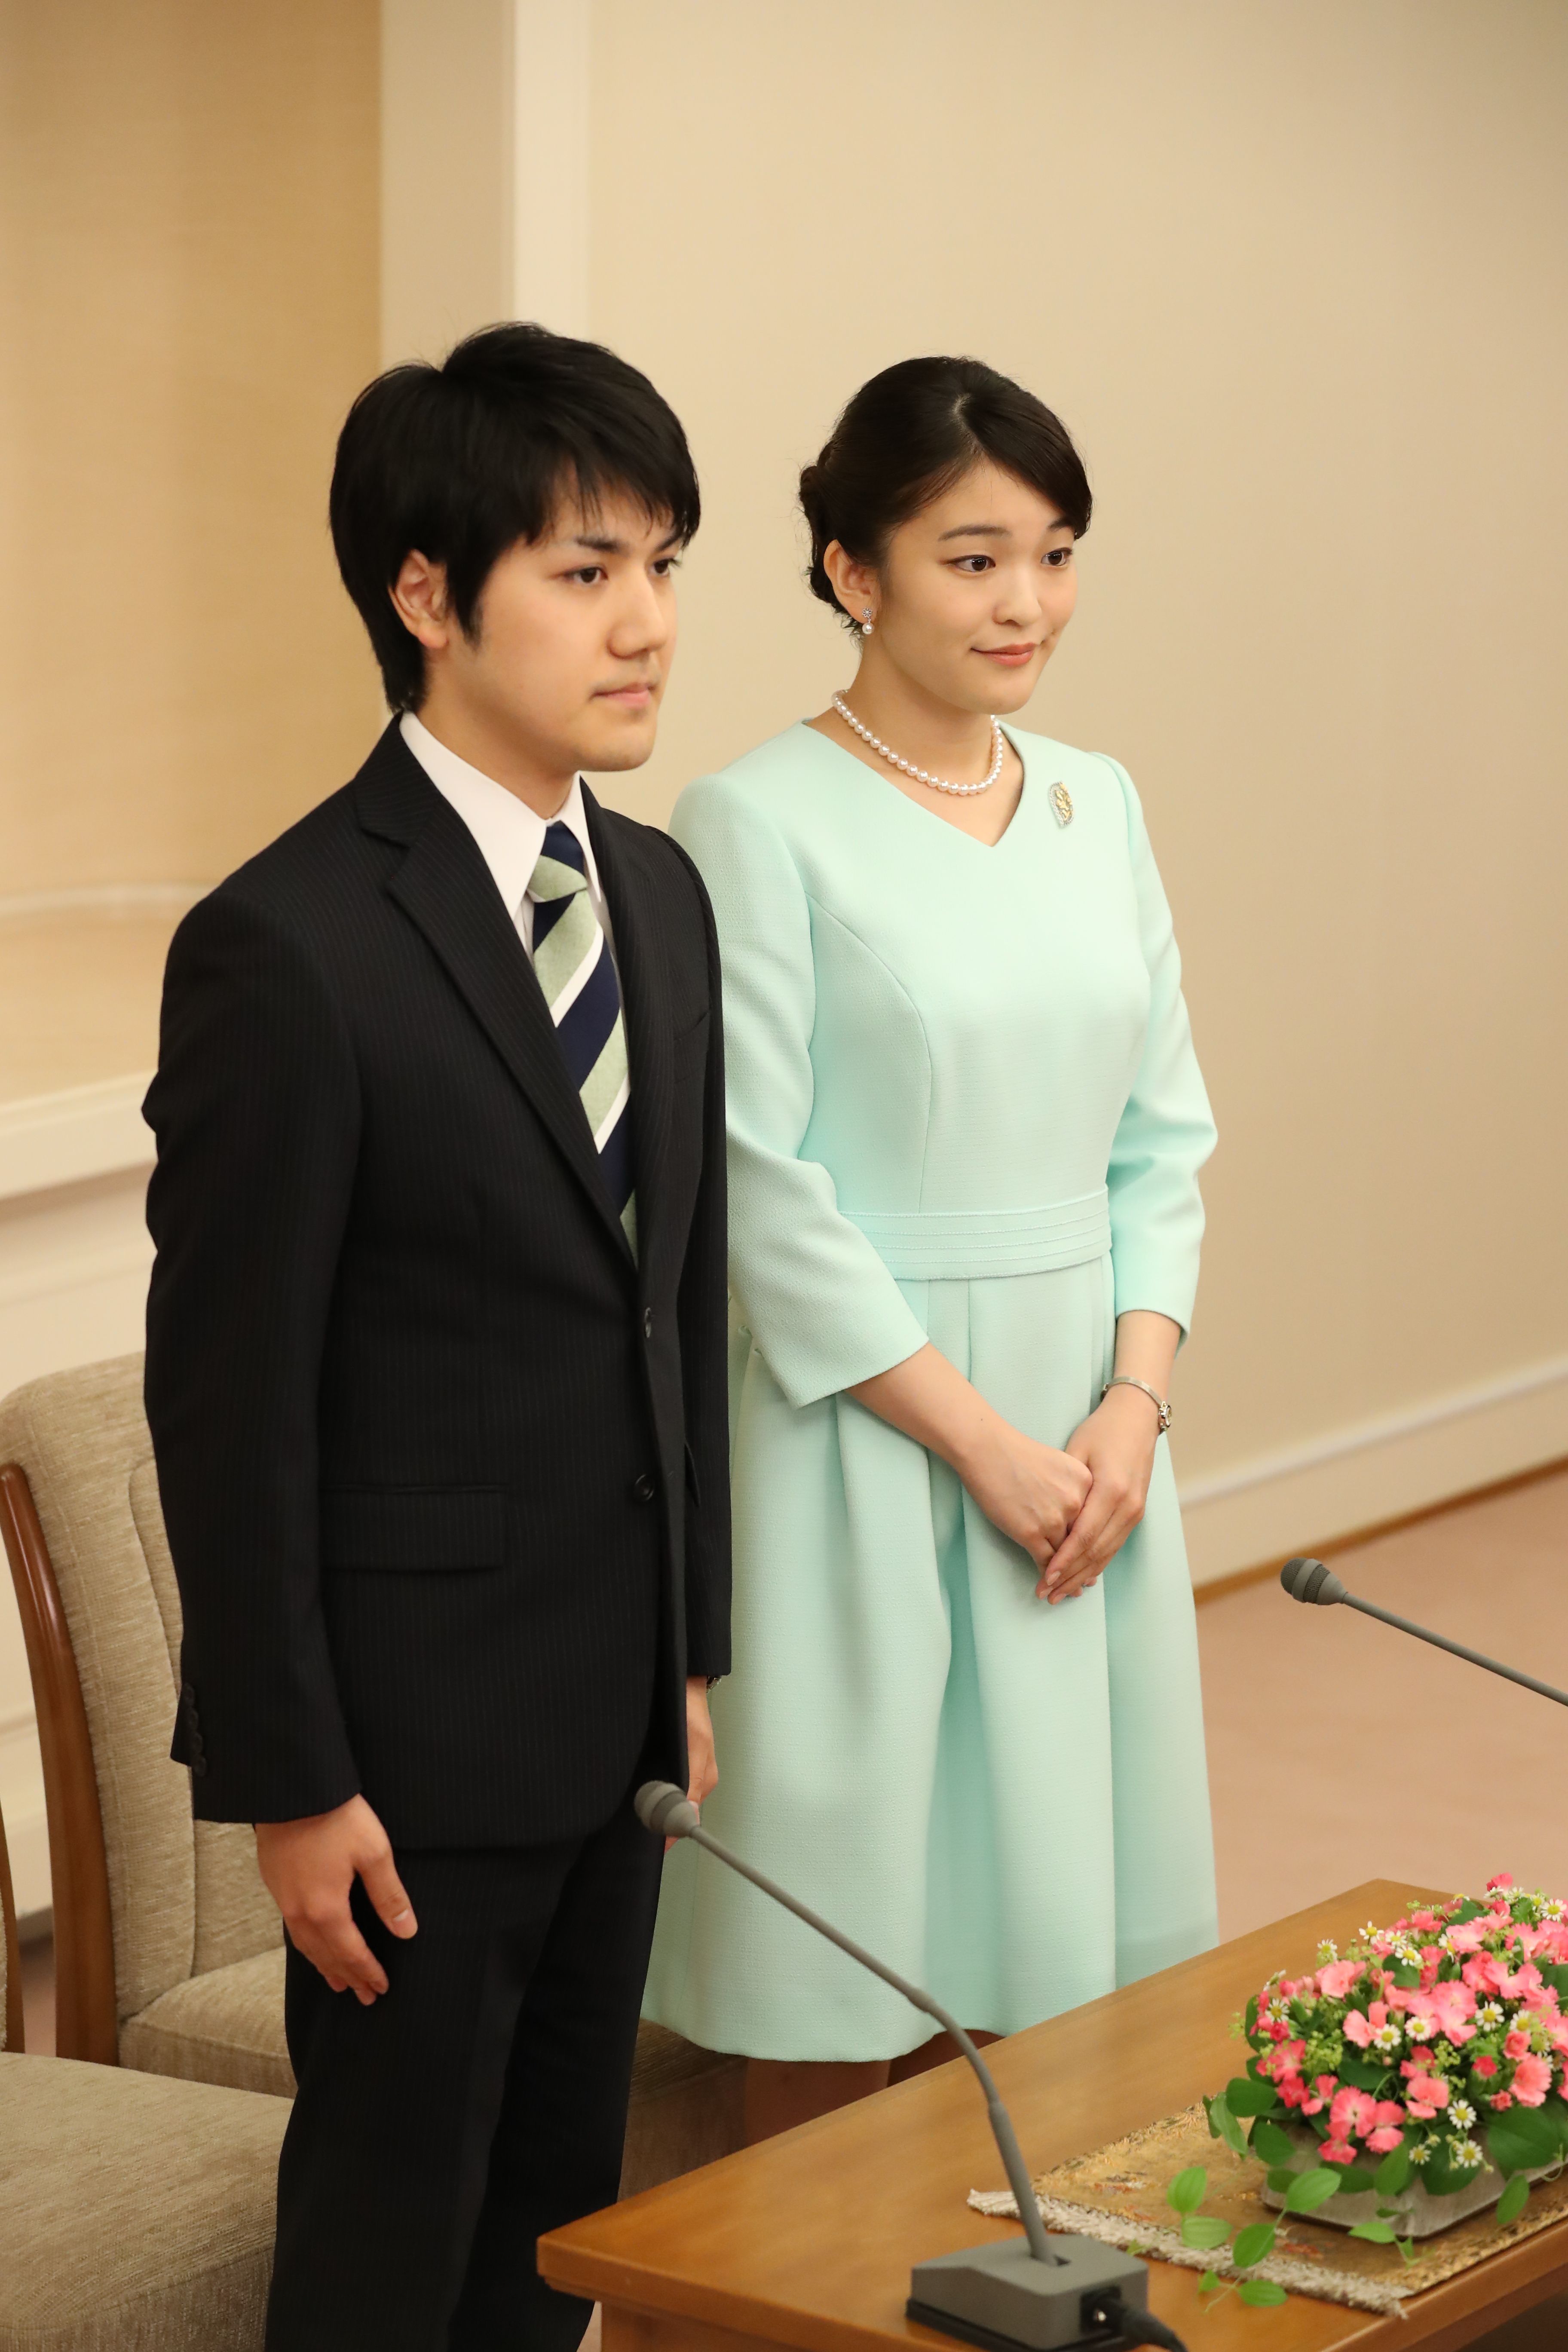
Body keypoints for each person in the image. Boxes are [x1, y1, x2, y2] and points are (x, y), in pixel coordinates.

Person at [142, 323, 731, 2352]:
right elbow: (231, 1409)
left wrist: (686, 1651)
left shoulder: (659, 896)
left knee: (552, 2239)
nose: (647, 623)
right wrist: (293, 1781)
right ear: (425, 592)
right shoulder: (287, 943)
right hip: (409, 1753)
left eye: (662, 564)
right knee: (387, 2262)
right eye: (586, 571)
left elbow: (677, 1297)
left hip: (613, 1720)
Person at [642, 355, 1217, 2143]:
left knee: (1069, 1960)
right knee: (849, 1947)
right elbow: (754, 1183)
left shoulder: (1100, 801)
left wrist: (1129, 1411)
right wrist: (983, 1446)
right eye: (973, 559)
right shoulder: (753, 819)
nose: (1025, 601)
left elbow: (1163, 1138)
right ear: (851, 569)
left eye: (1055, 553)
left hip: (1091, 1446)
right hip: (868, 1435)